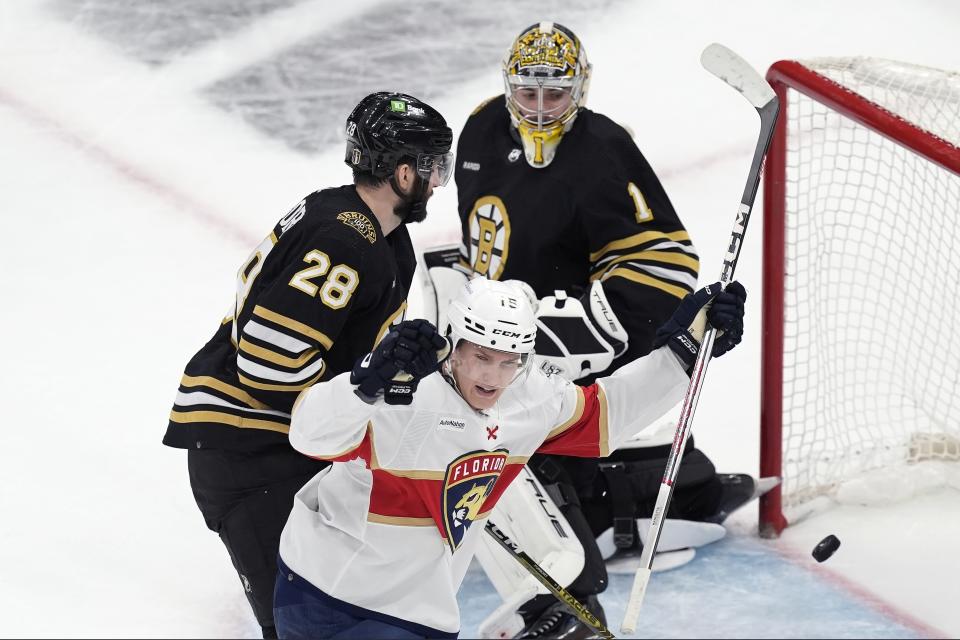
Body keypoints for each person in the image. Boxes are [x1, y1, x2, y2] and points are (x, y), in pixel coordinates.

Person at [441, 22, 764, 637]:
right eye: (527, 92)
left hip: (575, 332)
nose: (538, 108)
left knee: (538, 436)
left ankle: (605, 509)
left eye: (554, 94)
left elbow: (666, 262)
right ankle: (592, 502)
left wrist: (590, 325)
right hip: (495, 330)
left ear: (579, 89)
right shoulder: (482, 126)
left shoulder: (603, 150)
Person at [273, 277, 746, 639]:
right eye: (480, 355)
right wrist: (365, 383)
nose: (493, 375)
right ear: (453, 343)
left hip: (418, 609)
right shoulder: (403, 390)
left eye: (509, 359)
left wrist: (682, 355)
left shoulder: (529, 399)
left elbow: (608, 415)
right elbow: (309, 435)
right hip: (323, 591)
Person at [162, 91, 453, 638]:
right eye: (433, 166)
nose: (438, 181)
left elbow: (352, 364)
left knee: (344, 610)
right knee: (303, 627)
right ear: (402, 172)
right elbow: (270, 364)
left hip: (284, 447)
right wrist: (364, 388)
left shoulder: (383, 239)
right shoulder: (343, 238)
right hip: (248, 450)